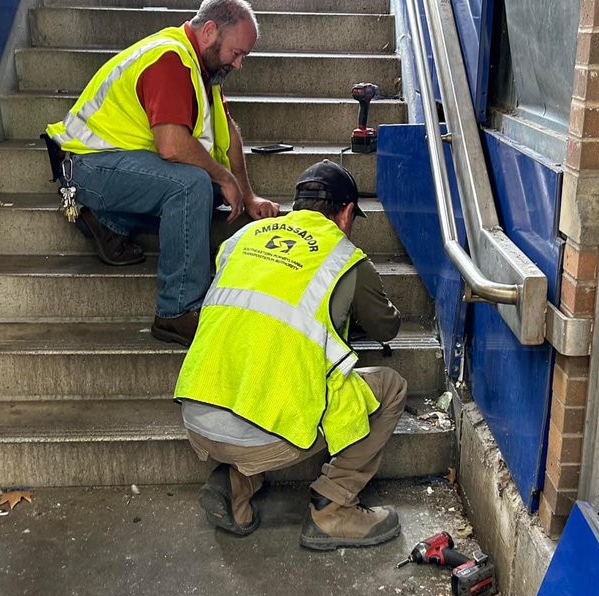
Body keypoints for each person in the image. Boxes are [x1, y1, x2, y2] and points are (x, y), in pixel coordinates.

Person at [174, 160, 408, 550]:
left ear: (295, 205)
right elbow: (387, 328)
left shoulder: (242, 239)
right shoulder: (344, 257)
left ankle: (233, 485)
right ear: (347, 213)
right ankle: (333, 508)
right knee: (390, 389)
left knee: (266, 380)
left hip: (197, 413)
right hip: (264, 433)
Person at [45, 0, 279, 346]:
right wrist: (222, 176)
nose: (239, 64)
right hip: (86, 167)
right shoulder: (170, 60)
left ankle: (109, 222)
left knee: (210, 190)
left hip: (122, 165)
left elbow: (227, 133)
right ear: (210, 31)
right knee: (192, 186)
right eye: (237, 52)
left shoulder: (204, 69)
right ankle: (177, 310)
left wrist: (247, 194)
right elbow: (170, 146)